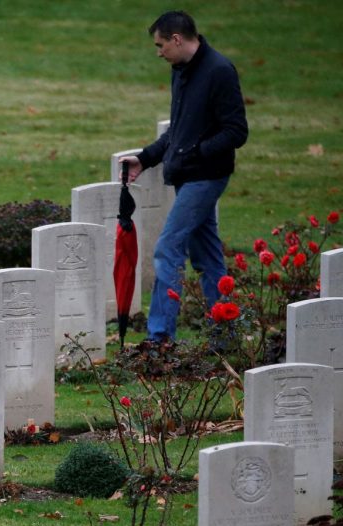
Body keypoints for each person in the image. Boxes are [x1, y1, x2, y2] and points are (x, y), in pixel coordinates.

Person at [120, 10, 248, 343]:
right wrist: (146, 158)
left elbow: (236, 131)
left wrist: (197, 152)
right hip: (186, 175)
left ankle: (159, 338)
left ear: (177, 39)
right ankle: (225, 336)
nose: (158, 52)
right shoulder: (181, 71)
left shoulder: (219, 71)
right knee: (207, 258)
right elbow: (178, 131)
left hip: (206, 177)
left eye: (161, 45)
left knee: (168, 248)